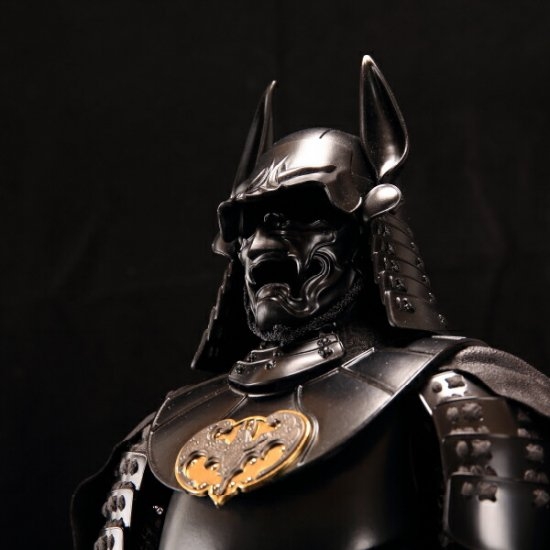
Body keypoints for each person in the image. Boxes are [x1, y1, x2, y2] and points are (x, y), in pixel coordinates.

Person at [72, 56, 550, 550]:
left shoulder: (456, 398)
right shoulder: (158, 437)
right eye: (250, 226)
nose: (261, 246)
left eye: (301, 215)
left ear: (367, 234)